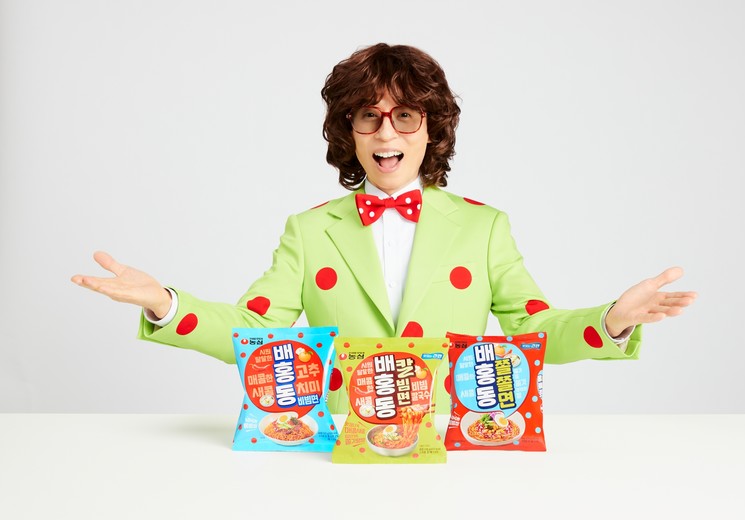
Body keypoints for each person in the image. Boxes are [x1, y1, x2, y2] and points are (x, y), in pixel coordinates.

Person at [71, 43, 697, 413]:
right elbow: (255, 332)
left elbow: (532, 332)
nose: (386, 132)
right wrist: (166, 304)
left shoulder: (484, 228)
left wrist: (611, 320)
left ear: (432, 128)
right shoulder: (309, 230)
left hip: (452, 447)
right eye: (367, 116)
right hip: (338, 449)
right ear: (348, 132)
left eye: (404, 115)